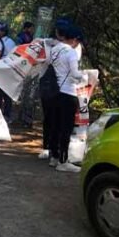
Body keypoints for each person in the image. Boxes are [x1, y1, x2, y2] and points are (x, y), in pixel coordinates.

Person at [47, 25, 84, 173]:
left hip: (56, 92)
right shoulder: (71, 52)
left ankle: (54, 157)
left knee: (55, 125)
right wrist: (87, 76)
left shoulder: (55, 49)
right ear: (75, 40)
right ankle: (63, 161)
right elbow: (75, 74)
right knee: (66, 128)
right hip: (68, 93)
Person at [0, 22, 17, 122]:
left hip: (7, 68)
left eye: (1, 30)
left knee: (6, 93)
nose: (0, 32)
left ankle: (7, 114)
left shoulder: (10, 42)